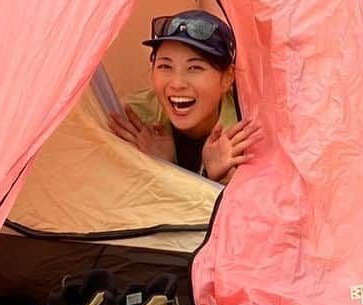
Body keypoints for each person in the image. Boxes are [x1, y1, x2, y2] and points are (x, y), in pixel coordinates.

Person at [108, 10, 261, 182]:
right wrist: (159, 165)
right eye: (165, 66)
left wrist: (215, 178)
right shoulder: (136, 120)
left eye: (195, 68)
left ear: (227, 79)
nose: (177, 83)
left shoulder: (247, 133)